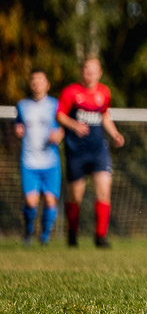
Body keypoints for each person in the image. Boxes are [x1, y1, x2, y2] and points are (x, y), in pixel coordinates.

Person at [56, 58, 124, 248]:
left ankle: (100, 237)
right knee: (75, 196)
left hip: (98, 151)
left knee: (104, 191)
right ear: (82, 72)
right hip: (76, 152)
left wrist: (115, 134)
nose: (90, 74)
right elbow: (60, 115)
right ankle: (72, 234)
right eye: (87, 70)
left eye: (94, 70)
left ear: (100, 73)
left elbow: (104, 116)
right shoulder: (71, 92)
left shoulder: (104, 92)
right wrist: (74, 125)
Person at [15, 69, 64, 246]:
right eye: (33, 80)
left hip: (50, 161)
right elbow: (18, 124)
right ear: (30, 84)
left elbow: (62, 127)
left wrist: (59, 135)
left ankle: (44, 236)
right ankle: (28, 230)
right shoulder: (22, 105)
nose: (36, 84)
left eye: (40, 80)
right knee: (31, 201)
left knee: (50, 201)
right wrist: (18, 130)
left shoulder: (55, 105)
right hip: (29, 161)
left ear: (47, 84)